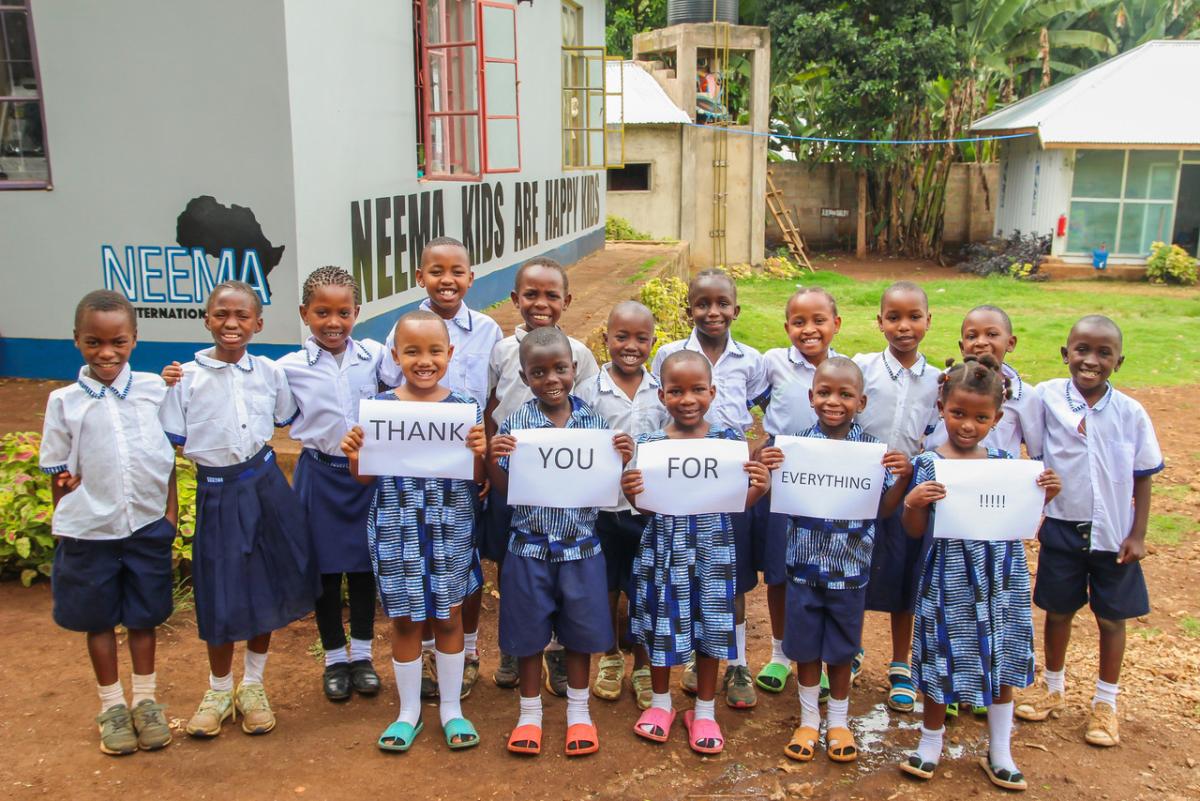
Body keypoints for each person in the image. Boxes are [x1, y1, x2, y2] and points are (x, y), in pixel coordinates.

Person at [160, 280, 316, 739]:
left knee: (266, 581)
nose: (232, 324)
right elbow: (170, 444)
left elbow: (286, 417)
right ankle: (217, 690)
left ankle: (252, 685)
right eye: (222, 315)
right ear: (206, 319)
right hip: (217, 489)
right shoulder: (183, 380)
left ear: (258, 323)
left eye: (242, 316)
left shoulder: (269, 373)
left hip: (265, 482)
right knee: (219, 587)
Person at [897, 356, 1061, 791]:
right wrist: (914, 503)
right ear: (941, 407)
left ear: (998, 418)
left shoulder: (1008, 464)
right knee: (939, 658)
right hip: (946, 577)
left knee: (1001, 658)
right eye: (958, 414)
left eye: (981, 417)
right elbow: (915, 533)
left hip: (999, 579)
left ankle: (999, 749)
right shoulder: (929, 464)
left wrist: (1043, 497)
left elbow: (1023, 524)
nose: (968, 425)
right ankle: (931, 741)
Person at [339, 310, 488, 753]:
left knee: (449, 616)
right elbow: (364, 479)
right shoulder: (380, 409)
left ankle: (450, 709)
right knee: (404, 620)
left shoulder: (464, 406)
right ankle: (407, 711)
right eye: (412, 351)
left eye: (435, 351)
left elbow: (475, 479)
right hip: (397, 525)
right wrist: (354, 454)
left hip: (450, 526)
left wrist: (478, 451)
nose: (424, 361)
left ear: (450, 354)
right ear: (395, 355)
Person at [39, 290, 178, 755]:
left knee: (144, 618)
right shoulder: (63, 402)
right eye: (93, 342)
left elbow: (167, 456)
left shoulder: (153, 390)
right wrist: (64, 490)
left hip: (144, 527)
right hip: (89, 532)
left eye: (117, 341)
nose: (106, 353)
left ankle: (145, 702)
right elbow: (57, 471)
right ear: (77, 341)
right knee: (97, 621)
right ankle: (111, 706)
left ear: (134, 339)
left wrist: (170, 515)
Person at [1015, 315, 1163, 748]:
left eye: (1103, 353)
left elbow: (1142, 476)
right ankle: (1052, 687)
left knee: (1111, 618)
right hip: (1063, 527)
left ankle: (1106, 702)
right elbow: (1011, 398)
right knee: (1058, 612)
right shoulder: (1046, 398)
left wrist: (1137, 534)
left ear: (1119, 361)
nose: (1091, 360)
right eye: (1081, 350)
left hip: (1114, 535)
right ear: (1066, 355)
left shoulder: (1131, 413)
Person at [487, 326, 633, 757]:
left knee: (579, 633)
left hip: (581, 548)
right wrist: (495, 455)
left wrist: (622, 455)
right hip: (529, 547)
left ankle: (579, 713)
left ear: (574, 368)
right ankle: (529, 714)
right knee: (528, 635)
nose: (551, 379)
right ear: (524, 375)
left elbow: (610, 483)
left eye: (560, 369)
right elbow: (503, 488)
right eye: (539, 372)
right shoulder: (517, 425)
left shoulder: (593, 422)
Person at [757, 357, 910, 764]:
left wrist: (905, 478)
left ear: (861, 401)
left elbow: (882, 510)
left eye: (845, 394)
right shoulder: (793, 447)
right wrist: (769, 471)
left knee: (842, 650)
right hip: (802, 569)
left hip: (850, 570)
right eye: (824, 393)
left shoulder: (873, 453)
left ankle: (839, 721)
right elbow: (780, 500)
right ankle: (808, 720)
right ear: (811, 397)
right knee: (805, 648)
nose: (833, 402)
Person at [623, 350, 771, 755]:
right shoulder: (652, 445)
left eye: (697, 390)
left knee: (711, 628)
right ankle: (660, 704)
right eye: (676, 391)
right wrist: (631, 491)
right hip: (663, 548)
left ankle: (703, 711)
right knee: (660, 625)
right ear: (661, 395)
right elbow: (645, 506)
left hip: (713, 550)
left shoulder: (727, 442)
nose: (687, 399)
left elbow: (740, 501)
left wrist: (760, 485)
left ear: (713, 391)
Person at [275, 266, 400, 703]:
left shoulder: (373, 356)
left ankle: (363, 656)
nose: (333, 322)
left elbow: (405, 389)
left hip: (365, 477)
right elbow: (273, 411)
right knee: (325, 574)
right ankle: (333, 658)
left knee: (365, 569)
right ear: (304, 313)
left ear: (357, 312)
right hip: (319, 476)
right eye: (322, 312)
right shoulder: (288, 368)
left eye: (343, 312)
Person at [384, 237, 502, 701]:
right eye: (436, 271)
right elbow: (385, 404)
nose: (447, 280)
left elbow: (490, 400)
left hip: (463, 475)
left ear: (471, 278)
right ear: (420, 277)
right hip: (409, 485)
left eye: (457, 271)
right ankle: (429, 654)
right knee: (415, 576)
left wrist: (484, 461)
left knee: (461, 567)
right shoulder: (401, 329)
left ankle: (468, 651)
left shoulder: (489, 330)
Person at [651, 269, 769, 709]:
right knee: (681, 572)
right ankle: (688, 654)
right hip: (677, 479)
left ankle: (735, 660)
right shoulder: (669, 353)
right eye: (702, 304)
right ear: (689, 310)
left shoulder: (751, 360)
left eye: (722, 304)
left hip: (727, 482)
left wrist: (756, 451)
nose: (712, 312)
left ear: (736, 310)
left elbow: (762, 411)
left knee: (731, 578)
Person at [485, 257, 600, 693]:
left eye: (552, 295)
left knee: (563, 561)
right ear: (515, 300)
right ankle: (518, 643)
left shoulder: (581, 354)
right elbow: (490, 409)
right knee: (512, 557)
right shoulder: (501, 351)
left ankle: (555, 644)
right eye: (531, 294)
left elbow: (586, 418)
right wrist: (490, 460)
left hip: (565, 484)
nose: (541, 303)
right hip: (513, 477)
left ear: (567, 301)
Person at [852, 281, 940, 714]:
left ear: (928, 320)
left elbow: (936, 437)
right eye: (893, 317)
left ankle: (901, 664)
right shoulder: (862, 368)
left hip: (909, 490)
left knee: (905, 575)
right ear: (879, 322)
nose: (903, 326)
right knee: (852, 569)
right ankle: (849, 649)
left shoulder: (938, 383)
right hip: (859, 487)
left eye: (913, 317)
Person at [575, 301, 668, 709]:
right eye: (621, 337)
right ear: (606, 339)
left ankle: (644, 663)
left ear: (652, 341)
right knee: (608, 587)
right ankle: (611, 657)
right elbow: (576, 441)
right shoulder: (588, 391)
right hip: (603, 509)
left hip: (649, 509)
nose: (631, 346)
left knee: (646, 587)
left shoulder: (662, 390)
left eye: (641, 338)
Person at [752, 286, 843, 696]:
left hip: (826, 482)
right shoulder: (772, 363)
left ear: (836, 325)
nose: (809, 330)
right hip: (780, 478)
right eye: (799, 322)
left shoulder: (845, 368)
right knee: (779, 569)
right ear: (787, 326)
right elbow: (745, 399)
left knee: (819, 567)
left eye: (819, 321)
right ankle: (779, 653)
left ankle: (816, 656)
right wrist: (759, 445)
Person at [925, 305, 1043, 459]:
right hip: (941, 473)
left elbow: (1037, 452)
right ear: (962, 347)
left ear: (1011, 343)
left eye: (992, 334)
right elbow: (924, 430)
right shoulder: (944, 382)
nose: (981, 342)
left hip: (996, 478)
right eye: (972, 336)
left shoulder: (1025, 396)